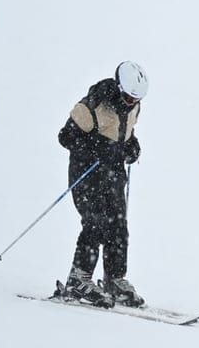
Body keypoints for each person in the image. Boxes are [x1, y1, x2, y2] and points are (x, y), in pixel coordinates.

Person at [56, 60, 149, 307]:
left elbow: (124, 133)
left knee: (118, 225)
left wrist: (131, 146)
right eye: (128, 97)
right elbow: (65, 137)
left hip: (114, 174)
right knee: (95, 222)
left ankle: (114, 279)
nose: (131, 103)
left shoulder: (134, 108)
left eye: (135, 99)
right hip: (87, 173)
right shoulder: (92, 106)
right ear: (118, 88)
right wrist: (98, 149)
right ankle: (78, 278)